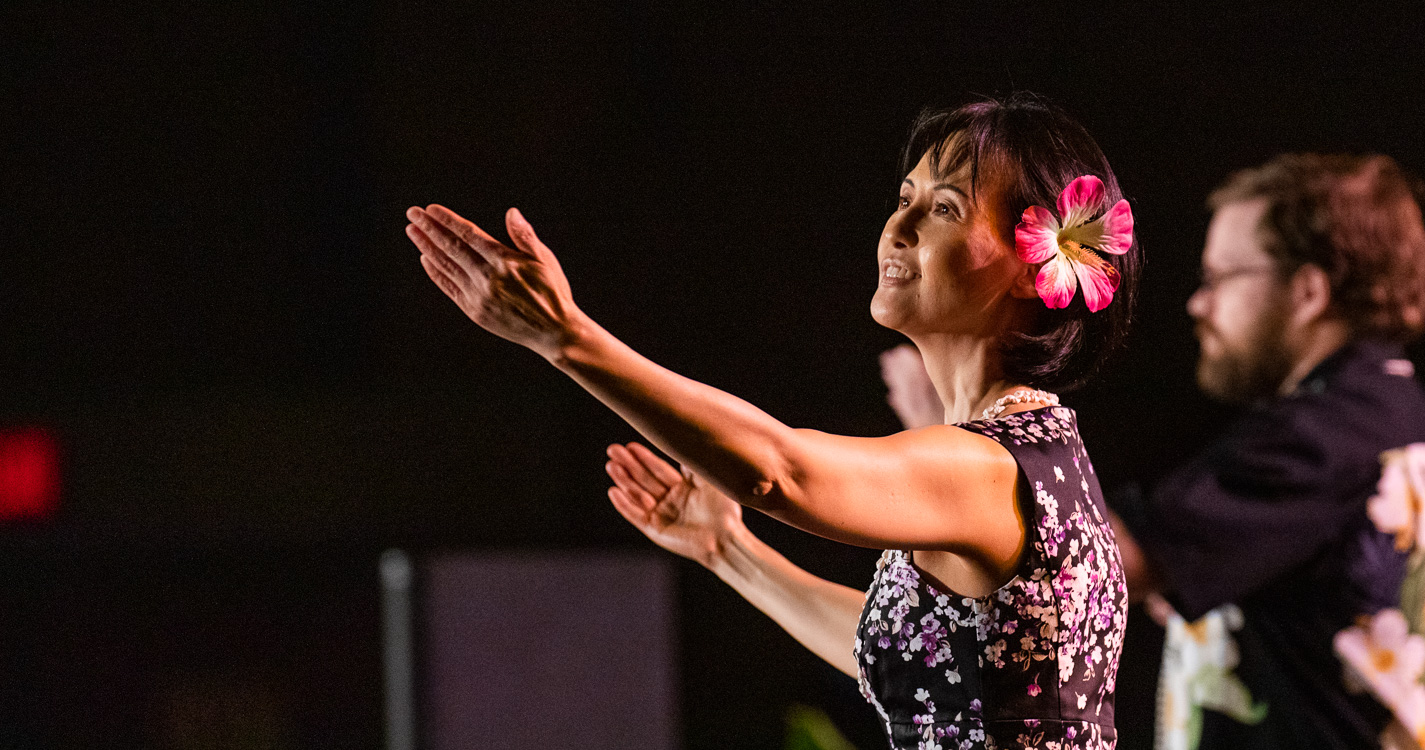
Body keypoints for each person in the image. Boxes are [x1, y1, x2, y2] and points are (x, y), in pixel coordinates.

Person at [403, 94, 1140, 749]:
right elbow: (913, 658)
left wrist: (566, 337)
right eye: (904, 196)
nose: (899, 226)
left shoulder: (990, 468)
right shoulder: (1039, 452)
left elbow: (777, 469)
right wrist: (728, 551)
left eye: (944, 208)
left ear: (1028, 265)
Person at [1108, 154, 1425, 749]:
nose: (1198, 305)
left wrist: (981, 418)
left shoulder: (1322, 437)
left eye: (1218, 278)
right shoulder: (1394, 414)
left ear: (1307, 291)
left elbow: (1098, 566)